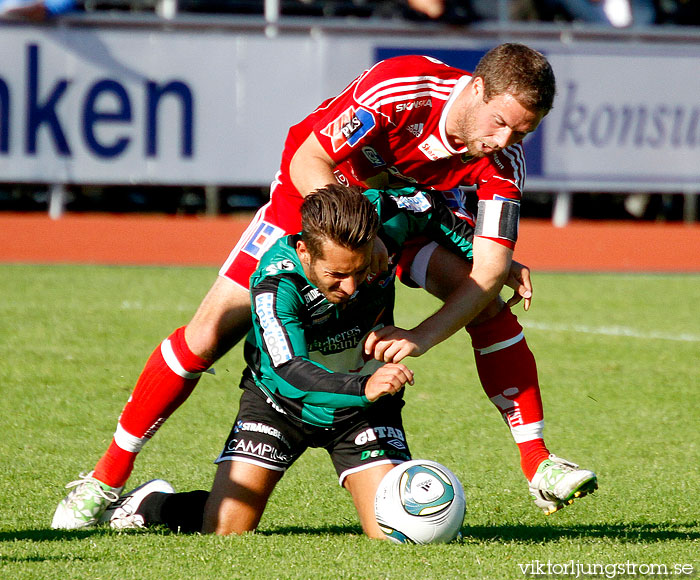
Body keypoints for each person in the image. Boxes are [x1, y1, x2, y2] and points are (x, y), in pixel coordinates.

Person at [52, 43, 597, 530]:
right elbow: (306, 159)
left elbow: (486, 272)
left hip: (397, 222)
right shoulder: (403, 87)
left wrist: (424, 334)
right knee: (205, 337)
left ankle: (538, 463)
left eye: (522, 132)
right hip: (313, 201)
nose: (503, 140)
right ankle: (105, 481)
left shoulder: (503, 157)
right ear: (476, 89)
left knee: (491, 310)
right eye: (500, 123)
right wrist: (356, 231)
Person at [99, 183, 477, 537]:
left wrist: (487, 258)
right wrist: (364, 386)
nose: (351, 286)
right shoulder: (275, 284)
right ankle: (152, 504)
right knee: (227, 528)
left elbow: (427, 206)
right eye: (337, 274)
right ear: (304, 252)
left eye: (361, 270)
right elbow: (289, 371)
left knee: (390, 527)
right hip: (279, 404)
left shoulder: (381, 215)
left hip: (363, 411)